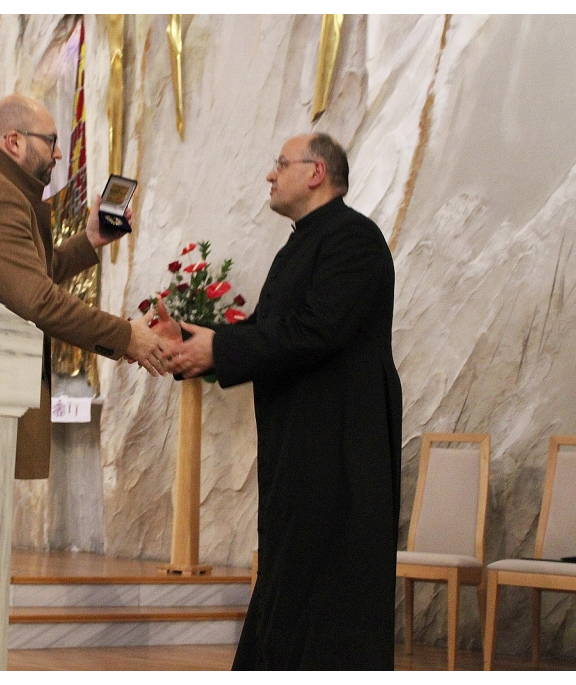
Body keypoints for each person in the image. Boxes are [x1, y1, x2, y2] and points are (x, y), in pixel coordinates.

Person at [166, 133, 402, 669]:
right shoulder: (303, 242)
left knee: (329, 591)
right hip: (304, 444)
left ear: (316, 172)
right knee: (290, 577)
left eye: (280, 165)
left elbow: (316, 330)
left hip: (341, 449)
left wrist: (221, 348)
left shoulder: (354, 240)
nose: (270, 176)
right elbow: (273, 330)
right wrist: (195, 339)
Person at [0, 94, 171, 480]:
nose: (57, 155)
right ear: (14, 141)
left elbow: (23, 276)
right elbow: (37, 301)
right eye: (50, 141)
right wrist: (126, 337)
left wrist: (88, 242)